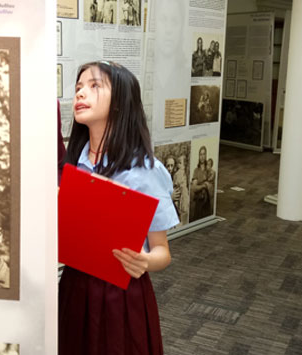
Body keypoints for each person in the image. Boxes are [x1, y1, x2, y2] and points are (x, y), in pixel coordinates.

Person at [59, 61, 179, 355]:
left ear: (120, 103)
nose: (80, 94)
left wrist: (145, 261)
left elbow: (162, 252)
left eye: (94, 86)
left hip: (120, 294)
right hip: (74, 285)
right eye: (78, 88)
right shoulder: (75, 164)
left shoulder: (145, 170)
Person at [189, 146, 213, 222]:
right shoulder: (196, 170)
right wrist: (204, 185)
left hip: (207, 202)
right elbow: (194, 187)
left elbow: (211, 184)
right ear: (198, 156)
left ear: (206, 155)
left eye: (204, 154)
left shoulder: (209, 169)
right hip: (199, 202)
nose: (202, 156)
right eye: (200, 154)